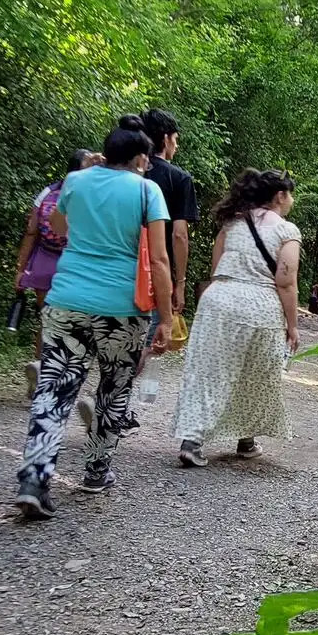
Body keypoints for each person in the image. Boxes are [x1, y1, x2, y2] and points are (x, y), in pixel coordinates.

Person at [14, 126, 172, 519]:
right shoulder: (146, 191)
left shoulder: (75, 181)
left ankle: (35, 479)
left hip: (67, 301)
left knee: (54, 390)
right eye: (146, 159)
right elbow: (159, 260)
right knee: (115, 388)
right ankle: (97, 471)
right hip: (123, 309)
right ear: (139, 159)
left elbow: (61, 228)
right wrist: (166, 317)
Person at [174, 168, 300, 468]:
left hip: (219, 301)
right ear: (280, 196)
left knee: (209, 371)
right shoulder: (287, 231)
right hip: (260, 307)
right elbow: (286, 281)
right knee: (257, 375)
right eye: (290, 193)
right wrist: (292, 325)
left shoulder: (232, 223)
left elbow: (217, 268)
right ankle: (245, 439)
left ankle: (192, 441)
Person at [118, 108, 198, 429]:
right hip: (151, 273)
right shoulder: (177, 179)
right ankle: (111, 404)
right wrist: (179, 283)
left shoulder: (121, 170)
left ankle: (114, 403)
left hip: (117, 265)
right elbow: (178, 235)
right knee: (145, 343)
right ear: (165, 139)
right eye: (175, 140)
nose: (176, 146)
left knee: (118, 338)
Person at [12, 150, 100, 396]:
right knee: (76, 323)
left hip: (43, 262)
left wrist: (21, 269)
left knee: (47, 319)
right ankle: (59, 375)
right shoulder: (90, 194)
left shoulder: (47, 192)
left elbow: (31, 231)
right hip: (76, 263)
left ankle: (41, 366)